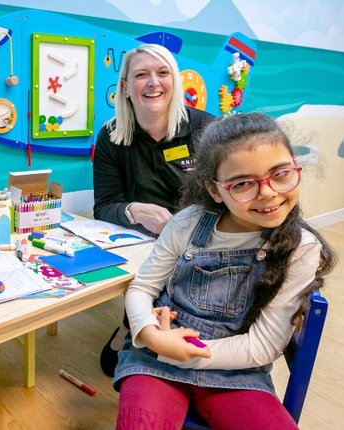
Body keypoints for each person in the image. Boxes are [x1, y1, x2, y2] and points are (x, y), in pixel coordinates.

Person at [113, 113, 337, 429]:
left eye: (280, 174)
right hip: (154, 358)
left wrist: (185, 351)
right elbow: (141, 288)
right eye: (243, 183)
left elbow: (261, 346)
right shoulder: (187, 222)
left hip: (236, 371)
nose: (269, 192)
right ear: (216, 190)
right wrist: (152, 336)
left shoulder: (301, 248)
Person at [93, 43, 215, 376]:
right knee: (113, 364)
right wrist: (135, 211)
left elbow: (228, 197)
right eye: (141, 75)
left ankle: (151, 325)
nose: (153, 83)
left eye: (162, 73)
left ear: (175, 82)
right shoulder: (110, 136)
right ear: (125, 87)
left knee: (189, 354)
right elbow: (103, 207)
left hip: (204, 241)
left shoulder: (207, 130)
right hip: (148, 247)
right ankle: (135, 323)